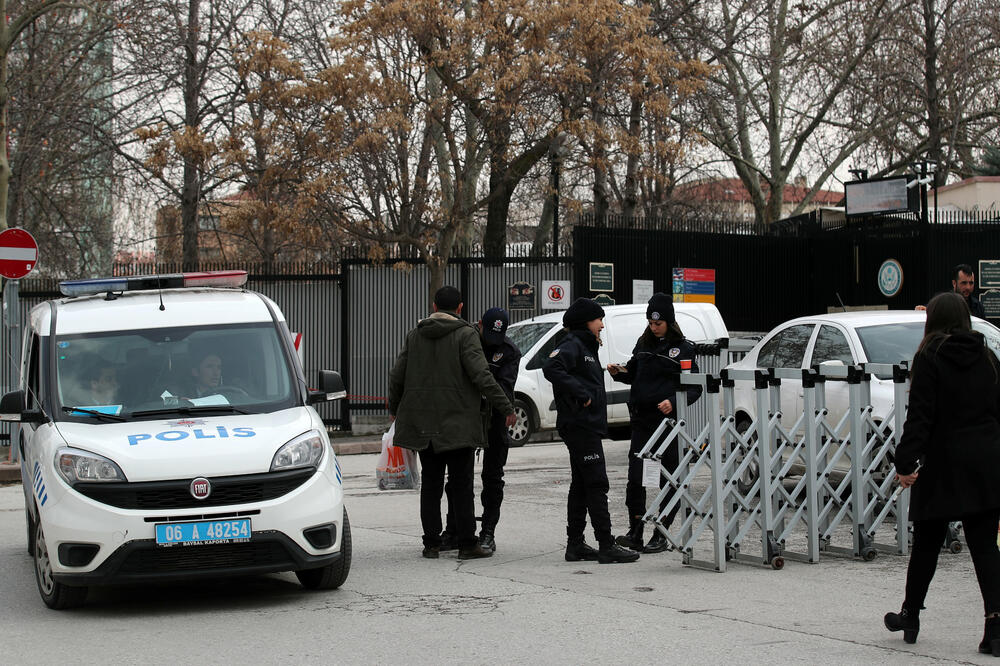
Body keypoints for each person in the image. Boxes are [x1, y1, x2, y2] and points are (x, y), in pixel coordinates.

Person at [883, 292, 1000, 655]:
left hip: (942, 463)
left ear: (932, 320)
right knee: (985, 548)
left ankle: (911, 616)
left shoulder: (929, 357)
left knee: (927, 545)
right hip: (985, 462)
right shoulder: (988, 357)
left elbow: (921, 417)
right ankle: (995, 627)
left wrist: (905, 464)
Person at [388, 286, 517, 560]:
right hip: (459, 423)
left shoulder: (415, 335)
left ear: (434, 305)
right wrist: (505, 407)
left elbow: (397, 374)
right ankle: (468, 544)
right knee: (461, 484)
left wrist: (394, 407)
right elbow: (482, 376)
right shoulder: (465, 334)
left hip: (424, 424)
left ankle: (431, 543)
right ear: (460, 308)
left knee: (432, 484)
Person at [543, 297, 639, 564]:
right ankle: (606, 545)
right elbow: (551, 367)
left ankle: (575, 545)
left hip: (586, 425)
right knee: (596, 483)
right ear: (586, 321)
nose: (602, 326)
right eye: (599, 320)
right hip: (580, 426)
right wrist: (580, 393)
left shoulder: (585, 346)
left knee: (581, 485)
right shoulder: (572, 344)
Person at [608, 292, 702, 554]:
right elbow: (634, 373)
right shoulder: (643, 343)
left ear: (668, 322)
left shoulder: (683, 348)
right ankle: (635, 530)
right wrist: (620, 373)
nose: (653, 327)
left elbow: (694, 388)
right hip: (642, 420)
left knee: (668, 477)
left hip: (667, 424)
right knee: (636, 477)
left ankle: (661, 531)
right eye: (650, 322)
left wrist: (673, 401)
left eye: (658, 323)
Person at [440, 307, 522, 553]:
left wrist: (498, 404)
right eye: (489, 334)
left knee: (493, 478)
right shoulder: (467, 340)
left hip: (495, 418)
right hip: (466, 417)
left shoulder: (509, 351)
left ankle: (487, 531)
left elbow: (505, 388)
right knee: (458, 477)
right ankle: (454, 530)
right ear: (480, 324)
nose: (491, 342)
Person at [916, 263, 986, 318]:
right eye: (964, 283)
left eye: (971, 283)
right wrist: (922, 310)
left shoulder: (978, 307)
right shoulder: (941, 302)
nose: (968, 287)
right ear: (954, 283)